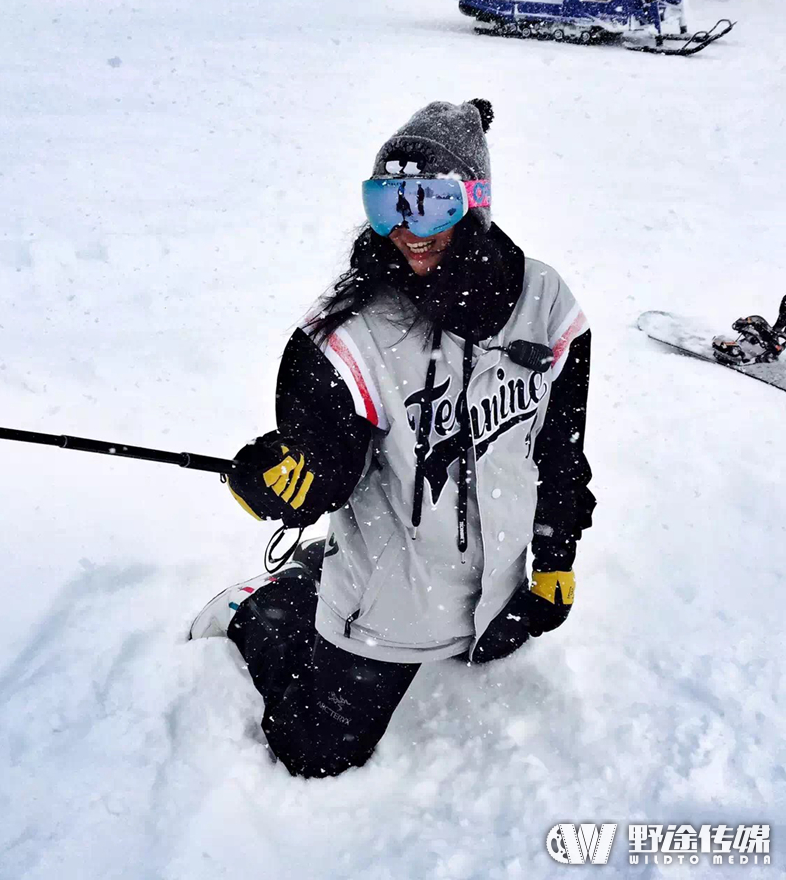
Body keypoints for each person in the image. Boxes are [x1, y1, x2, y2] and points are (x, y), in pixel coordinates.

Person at [189, 99, 595, 779]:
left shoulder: (547, 305)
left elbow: (559, 445)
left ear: (475, 202)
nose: (409, 229)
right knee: (314, 753)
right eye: (388, 204)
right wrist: (287, 479)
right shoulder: (349, 335)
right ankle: (267, 604)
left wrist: (555, 556)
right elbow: (326, 464)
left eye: (430, 202)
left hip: (495, 588)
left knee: (498, 646)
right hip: (391, 601)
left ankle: (334, 567)